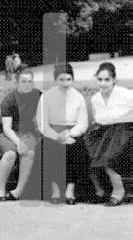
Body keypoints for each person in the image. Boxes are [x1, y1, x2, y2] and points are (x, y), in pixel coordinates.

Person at [36, 63, 88, 205]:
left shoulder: (78, 97)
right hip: (52, 132)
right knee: (48, 148)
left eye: (69, 79)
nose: (66, 84)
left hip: (72, 133)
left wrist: (69, 134)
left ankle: (70, 190)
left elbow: (83, 123)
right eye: (61, 80)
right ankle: (55, 189)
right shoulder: (46, 97)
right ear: (55, 80)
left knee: (76, 149)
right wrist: (56, 136)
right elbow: (42, 123)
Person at [85, 62, 133, 206]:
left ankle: (118, 191)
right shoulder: (95, 99)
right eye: (100, 79)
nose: (103, 83)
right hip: (104, 132)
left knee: (107, 154)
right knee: (84, 147)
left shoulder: (126, 94)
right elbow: (97, 119)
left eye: (107, 80)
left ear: (114, 80)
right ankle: (99, 190)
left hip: (125, 131)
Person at [0, 65, 41, 201]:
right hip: (8, 134)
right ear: (17, 83)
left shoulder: (38, 95)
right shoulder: (9, 100)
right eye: (24, 81)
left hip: (28, 133)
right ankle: (0, 188)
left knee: (29, 153)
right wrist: (18, 143)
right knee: (10, 154)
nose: (27, 85)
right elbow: (7, 128)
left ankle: (18, 190)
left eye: (30, 82)